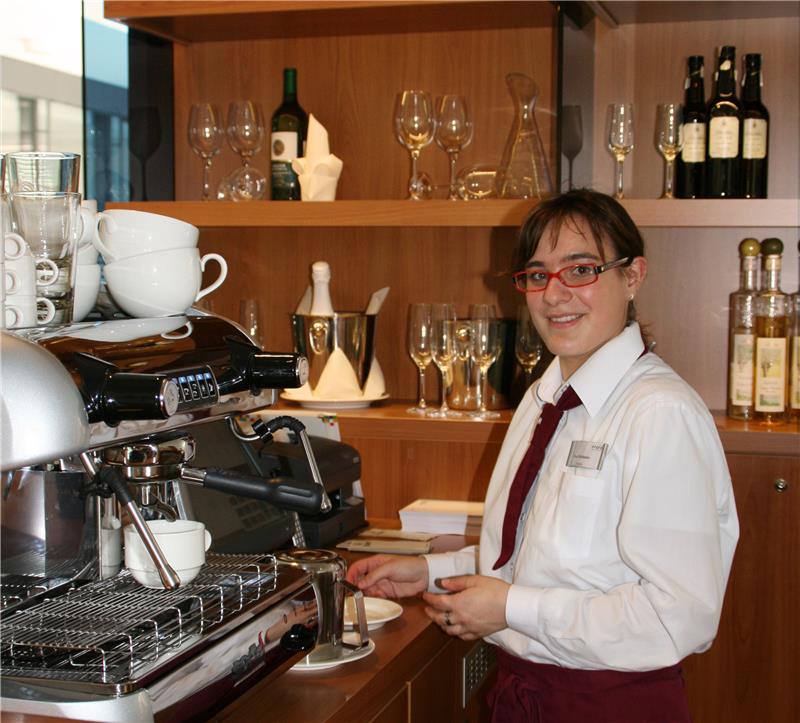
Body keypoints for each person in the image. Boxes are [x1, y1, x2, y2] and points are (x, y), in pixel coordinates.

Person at [346, 189, 739, 722]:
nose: (554, 295)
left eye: (580, 270)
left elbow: (678, 618)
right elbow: (546, 558)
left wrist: (510, 607)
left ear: (633, 275)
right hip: (528, 696)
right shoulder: (543, 398)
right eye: (537, 275)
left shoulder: (660, 413)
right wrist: (432, 572)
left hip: (612, 706)